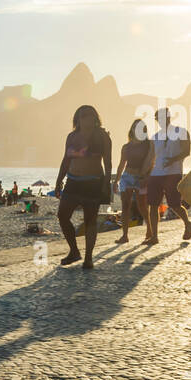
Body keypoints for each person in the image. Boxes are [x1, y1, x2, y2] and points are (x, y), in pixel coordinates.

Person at [54, 104, 112, 269]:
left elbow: (108, 162)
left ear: (96, 118)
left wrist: (106, 184)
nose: (88, 118)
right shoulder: (72, 137)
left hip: (93, 181)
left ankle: (88, 258)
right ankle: (74, 251)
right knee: (62, 216)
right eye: (84, 115)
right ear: (77, 119)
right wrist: (59, 181)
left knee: (90, 221)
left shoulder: (102, 136)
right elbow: (66, 160)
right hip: (73, 181)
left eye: (91, 115)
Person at [143, 107, 191, 244]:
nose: (161, 121)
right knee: (152, 205)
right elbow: (151, 157)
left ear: (169, 117)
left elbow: (187, 151)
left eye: (163, 118)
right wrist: (146, 174)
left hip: (173, 172)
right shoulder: (155, 137)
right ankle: (154, 236)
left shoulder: (181, 132)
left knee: (174, 204)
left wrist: (173, 160)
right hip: (156, 174)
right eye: (158, 119)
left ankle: (188, 224)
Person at [115, 117, 154, 244]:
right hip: (127, 177)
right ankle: (125, 235)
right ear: (132, 129)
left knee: (142, 205)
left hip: (141, 178)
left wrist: (147, 178)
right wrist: (116, 180)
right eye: (135, 127)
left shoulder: (148, 145)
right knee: (125, 206)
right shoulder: (126, 147)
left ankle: (149, 230)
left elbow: (151, 163)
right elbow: (121, 164)